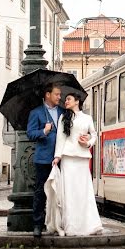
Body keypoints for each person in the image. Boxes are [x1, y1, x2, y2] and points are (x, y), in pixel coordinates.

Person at [50, 93, 103, 236]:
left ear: (77, 101)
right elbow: (60, 138)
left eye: (68, 99)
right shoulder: (63, 118)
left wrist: (88, 142)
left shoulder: (87, 118)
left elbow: (94, 135)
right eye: (65, 99)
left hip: (82, 158)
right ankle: (71, 226)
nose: (65, 101)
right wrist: (57, 156)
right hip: (68, 158)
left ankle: (89, 225)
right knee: (70, 192)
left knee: (84, 191)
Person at [26, 82, 62, 237]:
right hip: (43, 159)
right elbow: (30, 133)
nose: (59, 97)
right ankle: (38, 225)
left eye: (60, 94)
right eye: (56, 94)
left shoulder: (63, 111)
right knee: (40, 192)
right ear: (48, 95)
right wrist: (44, 131)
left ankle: (59, 223)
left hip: (61, 158)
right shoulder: (36, 113)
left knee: (60, 192)